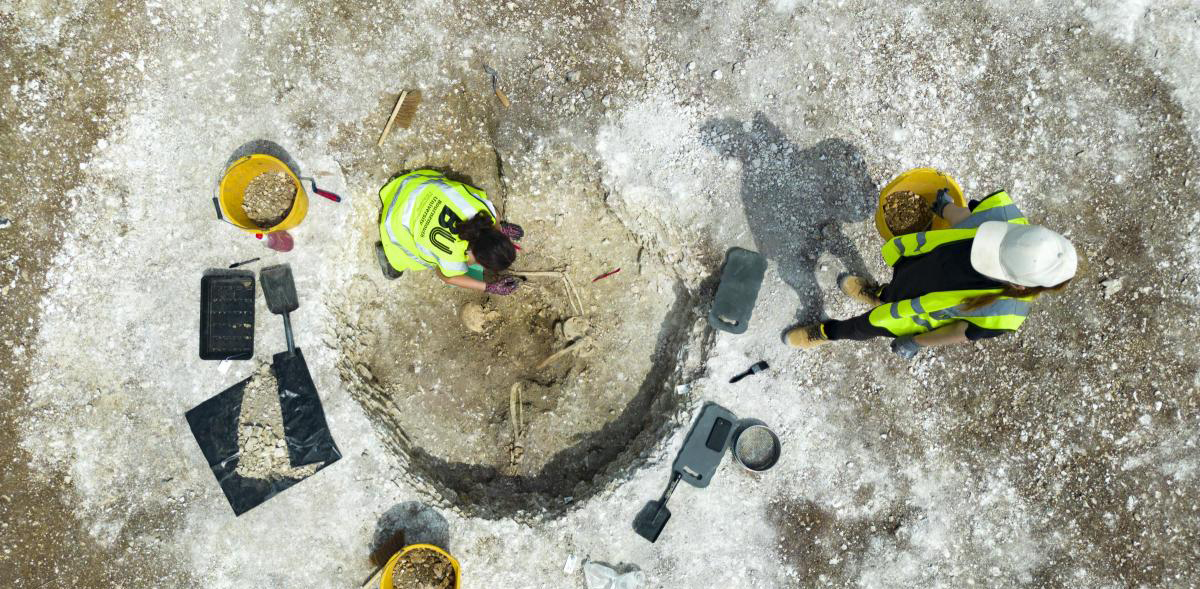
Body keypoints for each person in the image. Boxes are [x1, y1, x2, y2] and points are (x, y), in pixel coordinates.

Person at [785, 189, 1077, 358]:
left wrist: (916, 342)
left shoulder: (1004, 315)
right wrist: (945, 207)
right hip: (922, 265)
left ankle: (827, 331)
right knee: (899, 285)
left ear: (1020, 286)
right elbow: (971, 219)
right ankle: (879, 294)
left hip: (914, 310)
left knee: (864, 326)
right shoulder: (1006, 216)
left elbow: (959, 332)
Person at [375, 169, 524, 294]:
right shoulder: (453, 256)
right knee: (406, 263)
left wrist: (500, 226)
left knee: (483, 207)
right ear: (478, 259)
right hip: (394, 218)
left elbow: (494, 215)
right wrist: (489, 287)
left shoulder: (482, 212)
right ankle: (389, 257)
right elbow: (447, 276)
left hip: (412, 185)